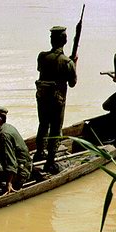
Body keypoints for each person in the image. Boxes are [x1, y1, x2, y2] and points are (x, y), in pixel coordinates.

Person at [35, 26, 78, 174]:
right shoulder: (67, 62)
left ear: (51, 40)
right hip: (57, 100)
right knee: (55, 128)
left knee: (42, 124)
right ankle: (50, 162)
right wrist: (74, 64)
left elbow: (42, 70)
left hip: (42, 97)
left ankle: (39, 153)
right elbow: (72, 83)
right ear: (65, 40)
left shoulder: (42, 56)